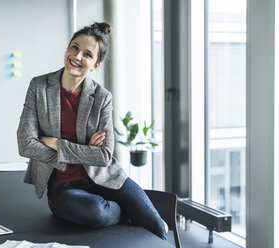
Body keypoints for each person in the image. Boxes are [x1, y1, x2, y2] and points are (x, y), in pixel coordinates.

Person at [17, 22, 168, 240]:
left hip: (107, 177)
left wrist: (57, 143)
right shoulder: (39, 86)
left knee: (156, 225)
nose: (77, 56)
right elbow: (25, 144)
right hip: (63, 186)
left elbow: (104, 156)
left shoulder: (102, 97)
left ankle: (134, 213)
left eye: (87, 54)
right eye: (74, 47)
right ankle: (126, 211)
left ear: (95, 65)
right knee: (98, 212)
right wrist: (81, 152)